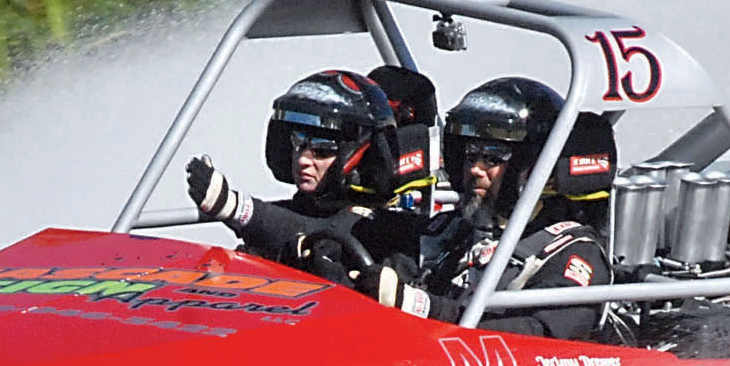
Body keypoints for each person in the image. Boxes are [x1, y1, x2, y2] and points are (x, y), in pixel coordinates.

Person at [357, 76, 615, 341]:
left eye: (492, 158)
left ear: (531, 166)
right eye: (470, 155)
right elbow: (392, 265)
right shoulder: (449, 231)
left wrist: (424, 307)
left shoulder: (572, 251)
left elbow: (542, 337)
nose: (475, 169)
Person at [186, 68, 426, 279]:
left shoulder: (387, 225)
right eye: (297, 143)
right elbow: (296, 222)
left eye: (322, 150)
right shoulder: (300, 210)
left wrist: (235, 207)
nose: (302, 160)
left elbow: (329, 233)